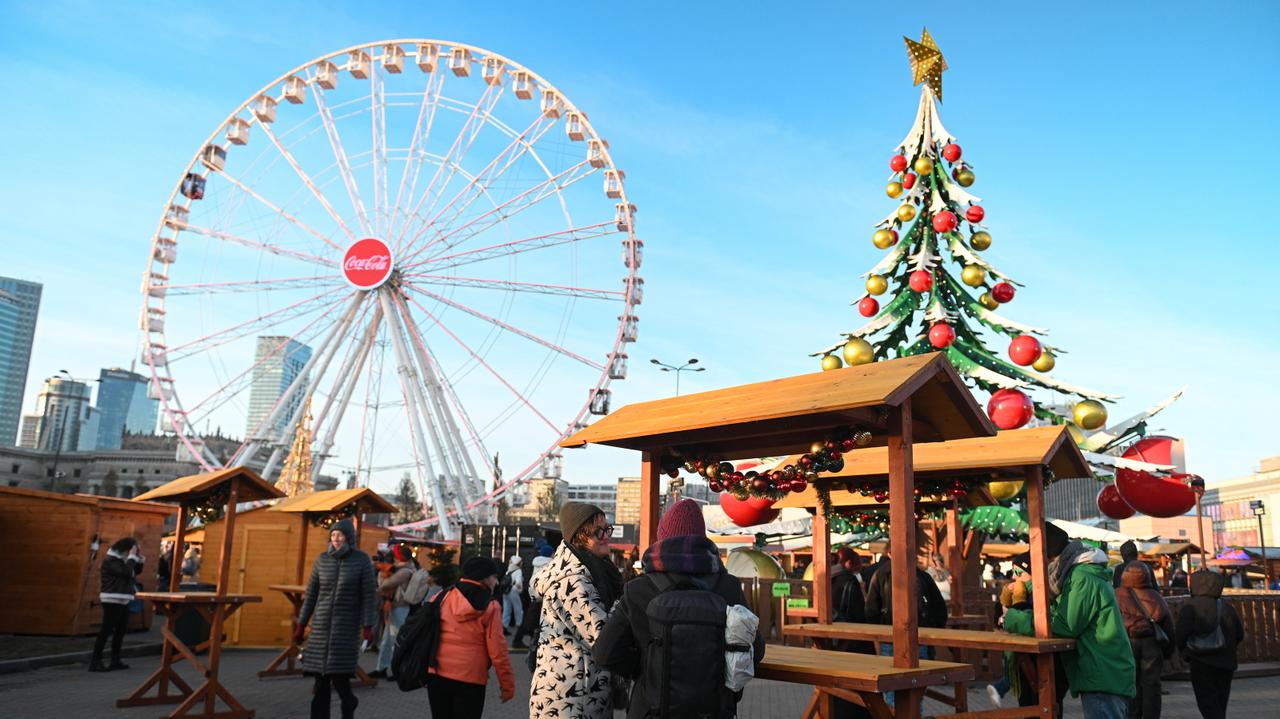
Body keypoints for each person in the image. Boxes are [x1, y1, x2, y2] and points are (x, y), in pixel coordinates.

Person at [595, 499, 766, 719]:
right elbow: (756, 649)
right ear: (702, 538)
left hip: (650, 711)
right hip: (715, 711)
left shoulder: (638, 589)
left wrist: (647, 666)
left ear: (661, 539)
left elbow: (605, 653)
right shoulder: (728, 586)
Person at [1004, 525, 1135, 718]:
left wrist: (1015, 618)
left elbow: (1064, 626)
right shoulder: (1077, 573)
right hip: (1102, 670)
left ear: (1049, 557)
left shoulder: (1081, 576)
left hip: (1102, 672)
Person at [529, 502, 621, 719]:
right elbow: (603, 638)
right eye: (598, 532)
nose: (606, 536)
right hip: (570, 700)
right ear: (579, 536)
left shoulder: (592, 571)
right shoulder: (572, 582)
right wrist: (626, 605)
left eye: (607, 529)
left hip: (582, 693)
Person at [295, 519, 377, 719]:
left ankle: (349, 703)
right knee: (320, 679)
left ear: (349, 537)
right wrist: (301, 623)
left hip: (345, 627)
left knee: (339, 675)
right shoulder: (322, 560)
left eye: (340, 535)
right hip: (321, 627)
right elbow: (311, 594)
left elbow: (368, 596)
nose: (336, 539)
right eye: (333, 535)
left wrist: (368, 626)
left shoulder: (362, 560)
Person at [863, 535, 948, 708]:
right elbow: (939, 609)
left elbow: (871, 610)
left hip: (900, 637)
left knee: (899, 687)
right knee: (910, 688)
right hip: (910, 637)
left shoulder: (882, 575)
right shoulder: (920, 577)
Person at [427, 556, 515, 718]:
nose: (496, 582)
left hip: (437, 674)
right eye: (494, 577)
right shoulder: (491, 606)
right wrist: (507, 685)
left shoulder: (442, 597)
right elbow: (498, 652)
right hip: (470, 678)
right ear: (484, 578)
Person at [1174, 570, 1244, 719]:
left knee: (1207, 701)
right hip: (1226, 662)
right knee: (1220, 701)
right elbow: (1239, 634)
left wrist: (1185, 652)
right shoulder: (1227, 607)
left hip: (1201, 661)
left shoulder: (1190, 607)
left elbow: (1181, 634)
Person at [1117, 561, 1174, 719]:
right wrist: (1168, 651)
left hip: (1127, 643)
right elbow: (1168, 625)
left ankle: (1132, 715)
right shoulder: (1155, 596)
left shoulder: (1117, 595)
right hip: (1151, 643)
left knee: (1131, 683)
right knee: (1152, 685)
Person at [90, 537, 144, 672]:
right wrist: (132, 557)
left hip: (123, 599)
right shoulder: (111, 560)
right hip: (112, 598)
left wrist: (138, 560)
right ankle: (95, 662)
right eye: (131, 550)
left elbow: (135, 572)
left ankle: (115, 660)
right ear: (125, 549)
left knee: (120, 631)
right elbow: (125, 573)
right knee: (106, 630)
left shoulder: (122, 561)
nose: (131, 553)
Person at [369, 545, 415, 680]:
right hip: (394, 607)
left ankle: (399, 671)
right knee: (387, 641)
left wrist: (381, 571)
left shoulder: (405, 571)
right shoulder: (402, 569)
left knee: (396, 640)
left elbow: (384, 585)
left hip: (399, 607)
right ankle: (381, 668)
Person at [513, 543, 554, 651]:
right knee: (534, 620)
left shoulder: (536, 562)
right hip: (543, 595)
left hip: (533, 592)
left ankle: (528, 641)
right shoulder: (549, 565)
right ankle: (528, 642)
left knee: (530, 618)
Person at [501, 554, 524, 633]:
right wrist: (520, 589)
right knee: (518, 608)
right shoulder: (518, 570)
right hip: (513, 590)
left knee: (507, 609)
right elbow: (518, 582)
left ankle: (504, 627)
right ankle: (519, 626)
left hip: (505, 591)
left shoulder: (509, 570)